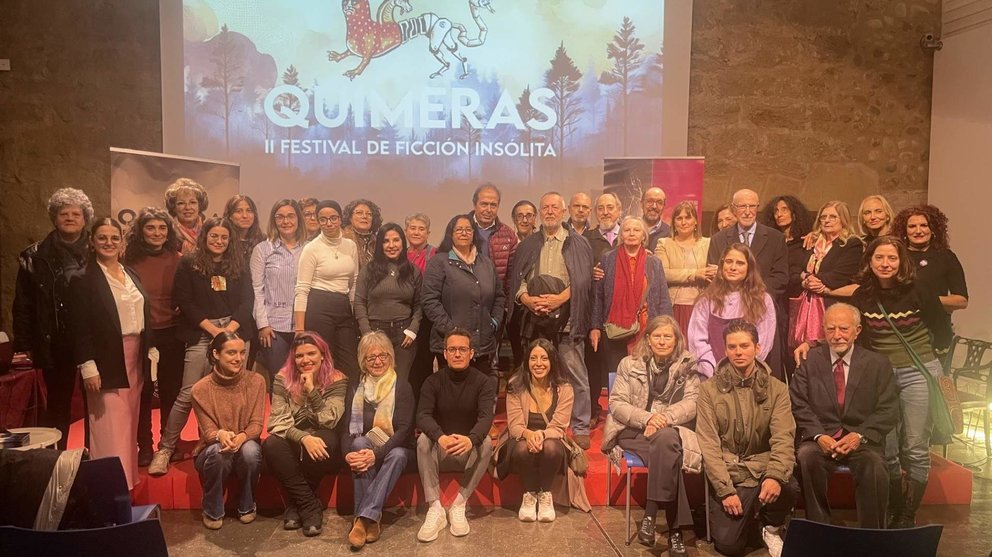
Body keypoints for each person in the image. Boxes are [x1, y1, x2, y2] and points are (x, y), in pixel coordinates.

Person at [796, 237, 952, 528]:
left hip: (916, 370)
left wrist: (932, 362)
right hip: (881, 371)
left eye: (892, 258)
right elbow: (849, 331)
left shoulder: (920, 289)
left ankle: (906, 513)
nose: (885, 264)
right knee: (887, 449)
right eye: (879, 258)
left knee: (916, 445)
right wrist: (815, 342)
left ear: (901, 261)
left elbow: (942, 332)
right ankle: (891, 506)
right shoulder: (863, 296)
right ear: (869, 261)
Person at [149, 217, 255, 476]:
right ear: (204, 237)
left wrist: (229, 330)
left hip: (236, 331)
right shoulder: (189, 263)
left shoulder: (239, 264)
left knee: (230, 391)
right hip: (201, 333)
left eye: (224, 237)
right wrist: (214, 330)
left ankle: (214, 440)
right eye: (214, 236)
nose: (219, 241)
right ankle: (165, 449)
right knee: (188, 393)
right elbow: (183, 299)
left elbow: (247, 299)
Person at [790, 303, 899, 528]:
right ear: (822, 330)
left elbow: (889, 409)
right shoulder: (808, 361)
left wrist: (859, 436)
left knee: (875, 465)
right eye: (830, 329)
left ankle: (872, 535)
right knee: (807, 458)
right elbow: (798, 404)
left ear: (857, 331)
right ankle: (819, 528)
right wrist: (819, 435)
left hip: (862, 438)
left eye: (843, 329)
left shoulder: (878, 364)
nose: (837, 335)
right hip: (820, 437)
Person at [601, 316, 702, 555]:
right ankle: (675, 532)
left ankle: (650, 514)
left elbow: (693, 402)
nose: (662, 341)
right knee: (671, 458)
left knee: (666, 442)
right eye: (657, 336)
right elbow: (616, 403)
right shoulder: (629, 364)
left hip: (670, 430)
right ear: (648, 339)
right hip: (632, 430)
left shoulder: (688, 364)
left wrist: (663, 419)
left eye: (668, 336)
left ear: (677, 340)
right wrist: (647, 419)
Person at [697, 320, 798, 557]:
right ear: (725, 349)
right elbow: (709, 445)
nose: (738, 352)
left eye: (744, 346)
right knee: (729, 546)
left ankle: (771, 526)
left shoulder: (777, 389)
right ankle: (752, 516)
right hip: (730, 470)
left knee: (789, 485)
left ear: (757, 348)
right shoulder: (708, 390)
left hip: (762, 466)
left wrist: (774, 475)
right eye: (732, 347)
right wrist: (725, 491)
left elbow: (784, 438)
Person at [68, 218, 153, 490]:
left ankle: (127, 481)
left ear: (122, 241)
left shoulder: (131, 274)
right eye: (102, 237)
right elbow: (79, 326)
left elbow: (142, 315)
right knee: (109, 426)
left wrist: (150, 346)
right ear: (92, 241)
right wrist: (87, 366)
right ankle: (109, 489)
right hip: (105, 361)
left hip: (134, 357)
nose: (109, 243)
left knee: (129, 422)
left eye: (114, 238)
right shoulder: (82, 278)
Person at [509, 192, 594, 448]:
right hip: (535, 319)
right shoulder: (527, 245)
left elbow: (583, 282)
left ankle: (580, 426)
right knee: (535, 372)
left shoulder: (578, 244)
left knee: (575, 374)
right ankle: (536, 422)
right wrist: (527, 299)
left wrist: (560, 299)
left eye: (554, 207)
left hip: (567, 319)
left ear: (563, 211)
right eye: (544, 207)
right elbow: (517, 281)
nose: (549, 211)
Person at [13, 187, 93, 449]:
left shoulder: (100, 248)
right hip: (54, 343)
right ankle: (55, 461)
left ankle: (94, 457)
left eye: (76, 213)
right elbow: (23, 304)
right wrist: (23, 347)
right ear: (54, 217)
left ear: (85, 218)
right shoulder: (34, 256)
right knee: (57, 404)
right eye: (63, 213)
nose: (70, 218)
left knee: (97, 405)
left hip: (93, 341)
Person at [415, 329, 497, 543]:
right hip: (440, 452)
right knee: (423, 439)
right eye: (452, 349)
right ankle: (435, 508)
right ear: (445, 353)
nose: (457, 354)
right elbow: (422, 416)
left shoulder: (483, 382)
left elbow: (486, 418)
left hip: (468, 453)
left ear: (472, 353)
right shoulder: (432, 381)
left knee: (486, 442)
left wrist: (471, 439)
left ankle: (459, 504)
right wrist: (440, 437)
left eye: (462, 349)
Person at [263, 332, 348, 537]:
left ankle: (295, 505)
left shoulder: (338, 379)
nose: (305, 360)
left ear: (322, 355)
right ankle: (309, 506)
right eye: (299, 356)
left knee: (326, 439)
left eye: (311, 353)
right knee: (271, 445)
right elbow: (276, 421)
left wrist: (311, 390)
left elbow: (330, 420)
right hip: (292, 439)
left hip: (323, 442)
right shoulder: (282, 378)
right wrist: (303, 437)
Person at [341, 332, 416, 549]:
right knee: (357, 444)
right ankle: (371, 520)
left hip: (398, 450)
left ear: (390, 358)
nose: (377, 361)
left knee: (397, 454)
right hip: (366, 449)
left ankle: (362, 518)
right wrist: (348, 453)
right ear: (362, 362)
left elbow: (404, 430)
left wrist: (377, 454)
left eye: (382, 356)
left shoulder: (402, 387)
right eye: (370, 357)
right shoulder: (356, 388)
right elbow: (347, 428)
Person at [124, 207, 184, 466]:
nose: (157, 233)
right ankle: (145, 447)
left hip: (173, 333)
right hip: (142, 335)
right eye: (150, 228)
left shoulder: (180, 259)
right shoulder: (127, 260)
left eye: (162, 228)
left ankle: (167, 444)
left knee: (171, 392)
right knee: (144, 392)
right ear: (140, 231)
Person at [708, 189, 788, 378]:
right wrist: (736, 297)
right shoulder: (719, 240)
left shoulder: (776, 238)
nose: (747, 211)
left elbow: (781, 277)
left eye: (752, 206)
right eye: (742, 206)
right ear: (734, 209)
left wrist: (752, 294)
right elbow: (715, 274)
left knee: (764, 372)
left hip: (762, 310)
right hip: (727, 311)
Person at [190, 332, 266, 530]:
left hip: (245, 443)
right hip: (212, 448)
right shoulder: (200, 389)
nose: (239, 358)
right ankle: (211, 509)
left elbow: (256, 425)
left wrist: (240, 437)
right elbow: (208, 432)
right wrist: (221, 435)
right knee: (218, 452)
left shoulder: (257, 381)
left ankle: (247, 505)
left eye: (242, 352)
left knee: (250, 451)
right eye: (231, 353)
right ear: (216, 354)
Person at [503, 339, 579, 523]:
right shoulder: (515, 385)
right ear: (527, 362)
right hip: (521, 438)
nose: (538, 364)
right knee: (522, 448)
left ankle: (545, 495)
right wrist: (529, 434)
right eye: (533, 358)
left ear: (552, 361)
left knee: (551, 448)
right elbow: (514, 426)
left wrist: (541, 435)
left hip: (552, 439)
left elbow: (560, 427)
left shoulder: (564, 389)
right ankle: (529, 495)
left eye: (544, 358)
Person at [422, 215, 505, 376]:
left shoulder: (486, 263)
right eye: (459, 229)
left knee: (479, 394)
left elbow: (499, 296)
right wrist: (451, 331)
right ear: (451, 234)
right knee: (452, 395)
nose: (464, 233)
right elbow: (429, 300)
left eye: (468, 229)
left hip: (482, 343)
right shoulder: (439, 262)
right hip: (451, 344)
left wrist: (493, 322)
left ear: (474, 234)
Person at [590, 216, 673, 377]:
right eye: (627, 230)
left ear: (644, 236)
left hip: (646, 330)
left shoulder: (653, 262)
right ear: (621, 235)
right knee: (616, 375)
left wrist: (668, 328)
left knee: (644, 376)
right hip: (615, 329)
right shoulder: (608, 259)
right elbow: (598, 296)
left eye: (636, 230)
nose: (631, 233)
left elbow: (663, 297)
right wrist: (595, 327)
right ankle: (617, 403)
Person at [294, 200, 360, 379]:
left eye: (333, 218)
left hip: (344, 307)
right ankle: (323, 406)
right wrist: (300, 330)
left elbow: (353, 282)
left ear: (340, 219)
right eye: (323, 219)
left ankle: (346, 407)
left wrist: (356, 314)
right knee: (324, 364)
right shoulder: (311, 248)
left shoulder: (350, 246)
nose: (328, 223)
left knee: (350, 366)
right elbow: (301, 289)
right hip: (319, 307)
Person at [689, 243, 776, 377]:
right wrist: (714, 372)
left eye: (740, 263)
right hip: (712, 376)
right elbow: (697, 340)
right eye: (729, 262)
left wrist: (745, 372)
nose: (733, 267)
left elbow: (763, 342)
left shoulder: (762, 300)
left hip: (749, 376)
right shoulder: (706, 300)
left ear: (749, 268)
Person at [354, 223, 422, 382]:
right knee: (377, 381)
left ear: (402, 243)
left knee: (400, 382)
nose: (391, 245)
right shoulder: (369, 270)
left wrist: (413, 329)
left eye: (396, 240)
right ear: (380, 245)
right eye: (386, 241)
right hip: (375, 332)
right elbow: (359, 302)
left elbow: (420, 304)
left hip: (404, 335)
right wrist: (367, 333)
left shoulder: (412, 271)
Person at [251, 199, 306, 391]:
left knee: (304, 381)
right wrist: (263, 324)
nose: (286, 221)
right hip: (274, 328)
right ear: (273, 220)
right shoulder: (263, 249)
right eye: (280, 217)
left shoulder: (309, 249)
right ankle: (281, 421)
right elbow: (257, 289)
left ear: (298, 218)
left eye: (290, 216)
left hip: (304, 325)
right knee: (281, 384)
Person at [892, 204, 969, 334]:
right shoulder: (895, 256)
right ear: (904, 231)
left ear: (933, 229)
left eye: (924, 225)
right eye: (912, 226)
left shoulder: (946, 257)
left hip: (934, 329)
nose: (918, 231)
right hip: (897, 328)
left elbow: (961, 301)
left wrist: (924, 300)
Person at [583, 192, 623, 429]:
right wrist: (590, 274)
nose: (606, 212)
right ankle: (592, 408)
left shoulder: (629, 235)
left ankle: (618, 412)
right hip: (595, 312)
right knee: (594, 364)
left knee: (618, 366)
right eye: (601, 208)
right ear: (595, 212)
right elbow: (577, 272)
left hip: (622, 315)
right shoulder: (585, 239)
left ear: (619, 210)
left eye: (610, 207)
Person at [656, 201, 715, 336]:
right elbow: (663, 273)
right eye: (679, 218)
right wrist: (695, 274)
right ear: (674, 223)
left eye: (688, 217)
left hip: (702, 305)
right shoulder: (664, 243)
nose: (684, 222)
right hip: (673, 307)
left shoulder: (709, 243)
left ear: (695, 222)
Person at [797, 201, 863, 307]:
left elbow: (839, 276)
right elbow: (796, 270)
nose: (827, 221)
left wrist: (807, 277)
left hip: (835, 304)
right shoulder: (812, 241)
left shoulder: (852, 244)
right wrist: (805, 281)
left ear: (843, 220)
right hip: (808, 303)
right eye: (823, 217)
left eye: (833, 217)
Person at [405, 213, 438, 399]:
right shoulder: (399, 254)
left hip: (427, 318)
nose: (416, 232)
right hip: (404, 316)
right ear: (406, 231)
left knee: (423, 363)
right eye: (413, 228)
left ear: (428, 233)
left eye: (421, 229)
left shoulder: (435, 254)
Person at [469, 183, 518, 289]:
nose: (489, 210)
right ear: (474, 204)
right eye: (484, 204)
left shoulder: (508, 235)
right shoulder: (459, 229)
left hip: (495, 299)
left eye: (493, 205)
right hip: (464, 297)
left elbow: (511, 277)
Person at [164, 178, 209, 253]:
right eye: (181, 203)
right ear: (174, 207)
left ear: (200, 205)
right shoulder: (167, 233)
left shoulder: (208, 231)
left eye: (192, 202)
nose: (187, 207)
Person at [342, 198, 382, 269]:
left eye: (369, 214)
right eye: (359, 213)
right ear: (350, 218)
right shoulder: (343, 239)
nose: (364, 216)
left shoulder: (377, 240)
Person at [224, 195, 266, 262]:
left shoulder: (263, 240)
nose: (245, 216)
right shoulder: (223, 240)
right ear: (229, 216)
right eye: (238, 211)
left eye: (249, 211)